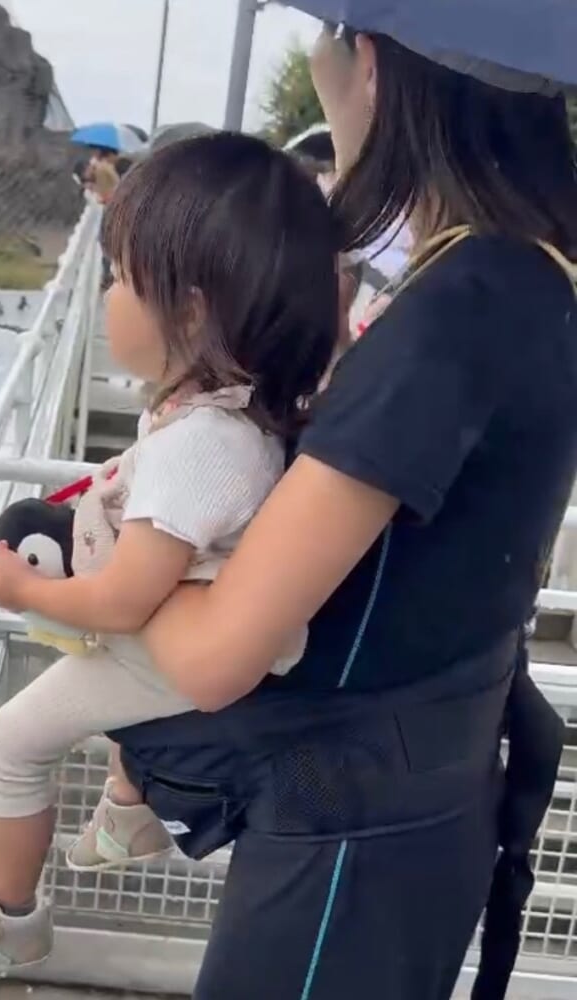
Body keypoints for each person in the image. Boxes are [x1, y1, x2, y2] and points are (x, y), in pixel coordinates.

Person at [104, 24, 573, 1000]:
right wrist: (349, 88)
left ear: (376, 64)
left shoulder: (458, 310)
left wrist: (96, 562)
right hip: (422, 785)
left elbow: (214, 652)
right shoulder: (530, 274)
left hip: (353, 831)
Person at [0, 132, 341, 973]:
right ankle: (128, 809)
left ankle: (7, 917)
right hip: (190, 647)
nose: (104, 296)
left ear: (191, 309)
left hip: (170, 659)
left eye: (121, 279)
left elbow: (124, 604)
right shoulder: (217, 414)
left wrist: (24, 591)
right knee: (107, 692)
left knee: (7, 743)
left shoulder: (201, 442)